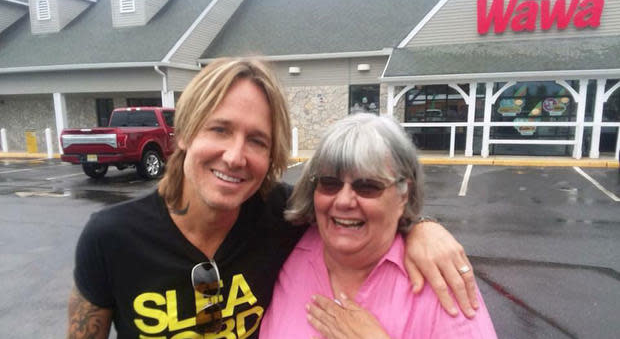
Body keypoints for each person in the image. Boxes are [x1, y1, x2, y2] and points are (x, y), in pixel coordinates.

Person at [67, 58, 479, 339]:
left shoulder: (281, 216)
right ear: (186, 133)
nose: (235, 155)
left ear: (271, 155)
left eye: (257, 140)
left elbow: (358, 212)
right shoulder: (111, 238)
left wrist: (424, 226)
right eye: (220, 129)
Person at [260, 113, 496, 338]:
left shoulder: (440, 281)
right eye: (330, 183)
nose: (343, 201)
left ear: (404, 194)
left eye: (367, 186)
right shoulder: (288, 241)